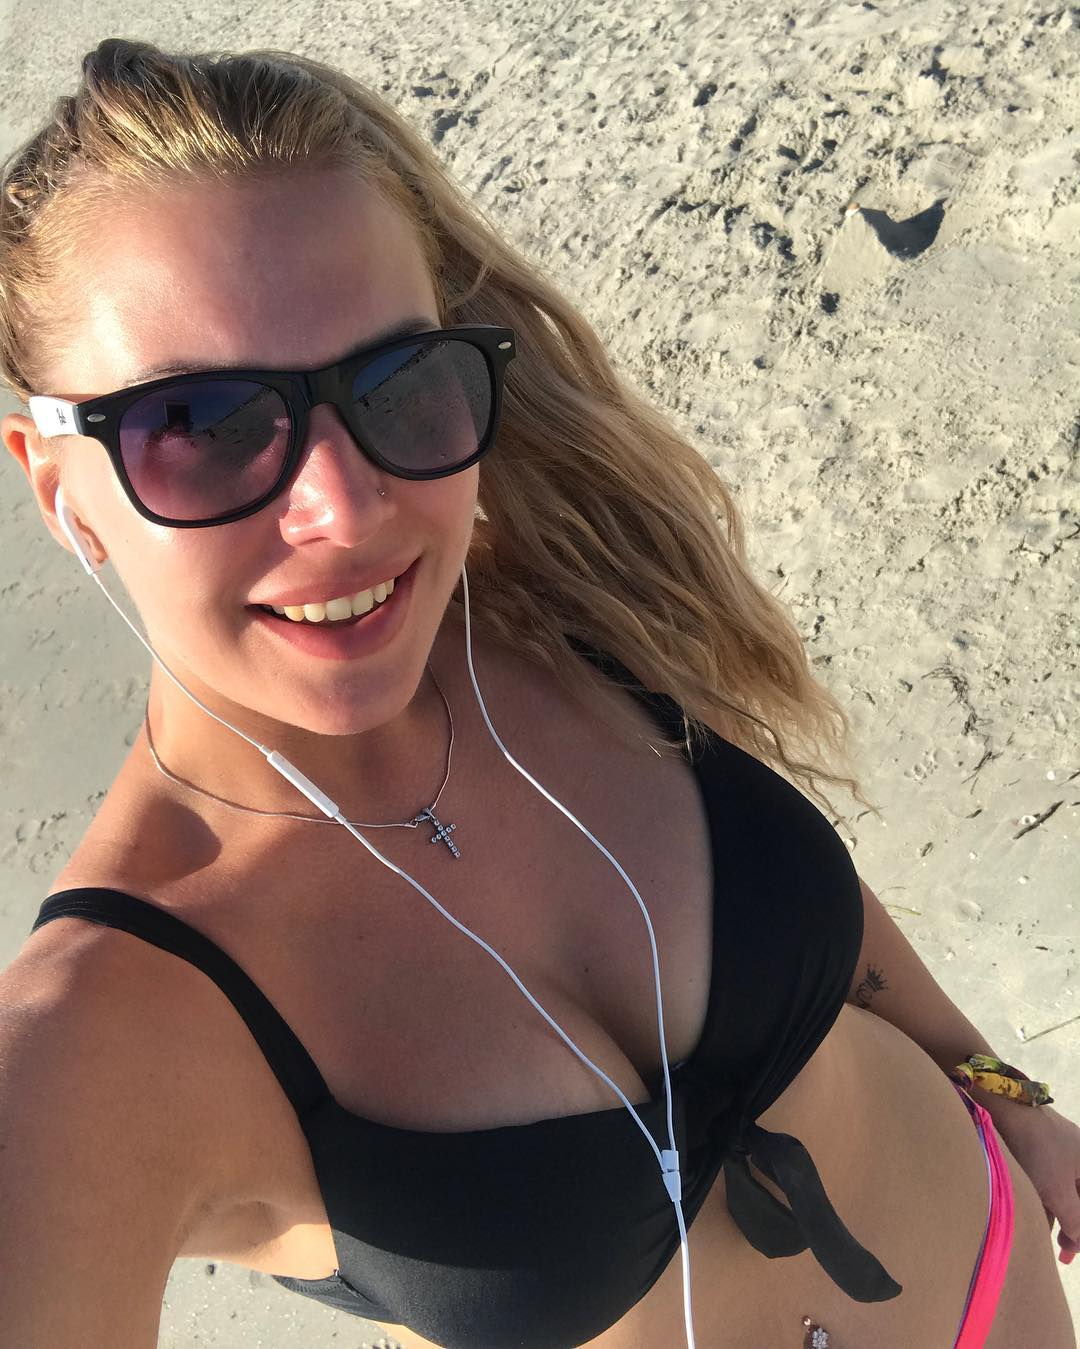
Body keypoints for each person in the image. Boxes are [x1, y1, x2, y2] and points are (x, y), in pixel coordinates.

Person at [0, 38, 1075, 1349]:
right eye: (204, 426)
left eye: (395, 384)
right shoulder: (112, 1025)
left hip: (997, 1269)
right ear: (56, 485)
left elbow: (816, 910)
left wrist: (1001, 1090)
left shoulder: (541, 609)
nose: (346, 510)